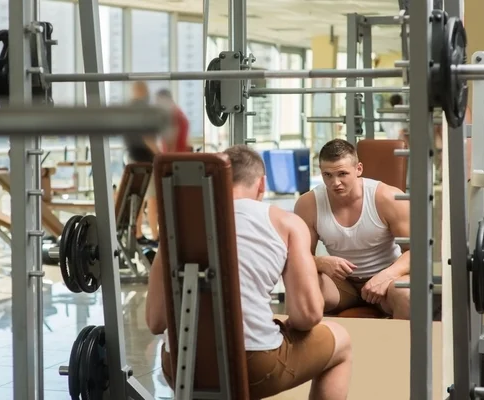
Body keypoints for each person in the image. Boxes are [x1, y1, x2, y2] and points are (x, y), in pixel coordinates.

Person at [145, 144, 352, 400]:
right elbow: (307, 316)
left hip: (178, 365)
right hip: (254, 366)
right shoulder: (286, 222)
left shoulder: (177, 223)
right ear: (262, 184)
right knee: (341, 341)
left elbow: (155, 321)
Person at [294, 138, 411, 320]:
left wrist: (386, 275)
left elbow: (418, 252)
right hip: (343, 285)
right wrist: (321, 262)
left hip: (388, 281)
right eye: (328, 175)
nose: (335, 183)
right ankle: (311, 346)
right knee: (302, 287)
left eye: (342, 174)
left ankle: (402, 348)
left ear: (358, 169)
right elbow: (298, 256)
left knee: (406, 294)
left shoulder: (387, 197)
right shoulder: (308, 204)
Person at [124, 81, 160, 246]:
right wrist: (160, 154)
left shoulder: (129, 110)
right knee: (152, 198)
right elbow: (148, 137)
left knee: (136, 199)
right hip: (146, 160)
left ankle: (137, 234)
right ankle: (155, 235)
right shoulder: (143, 111)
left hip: (132, 158)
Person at [155, 88, 190, 153]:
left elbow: (171, 143)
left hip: (174, 158)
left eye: (158, 100)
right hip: (177, 156)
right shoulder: (178, 113)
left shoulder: (174, 115)